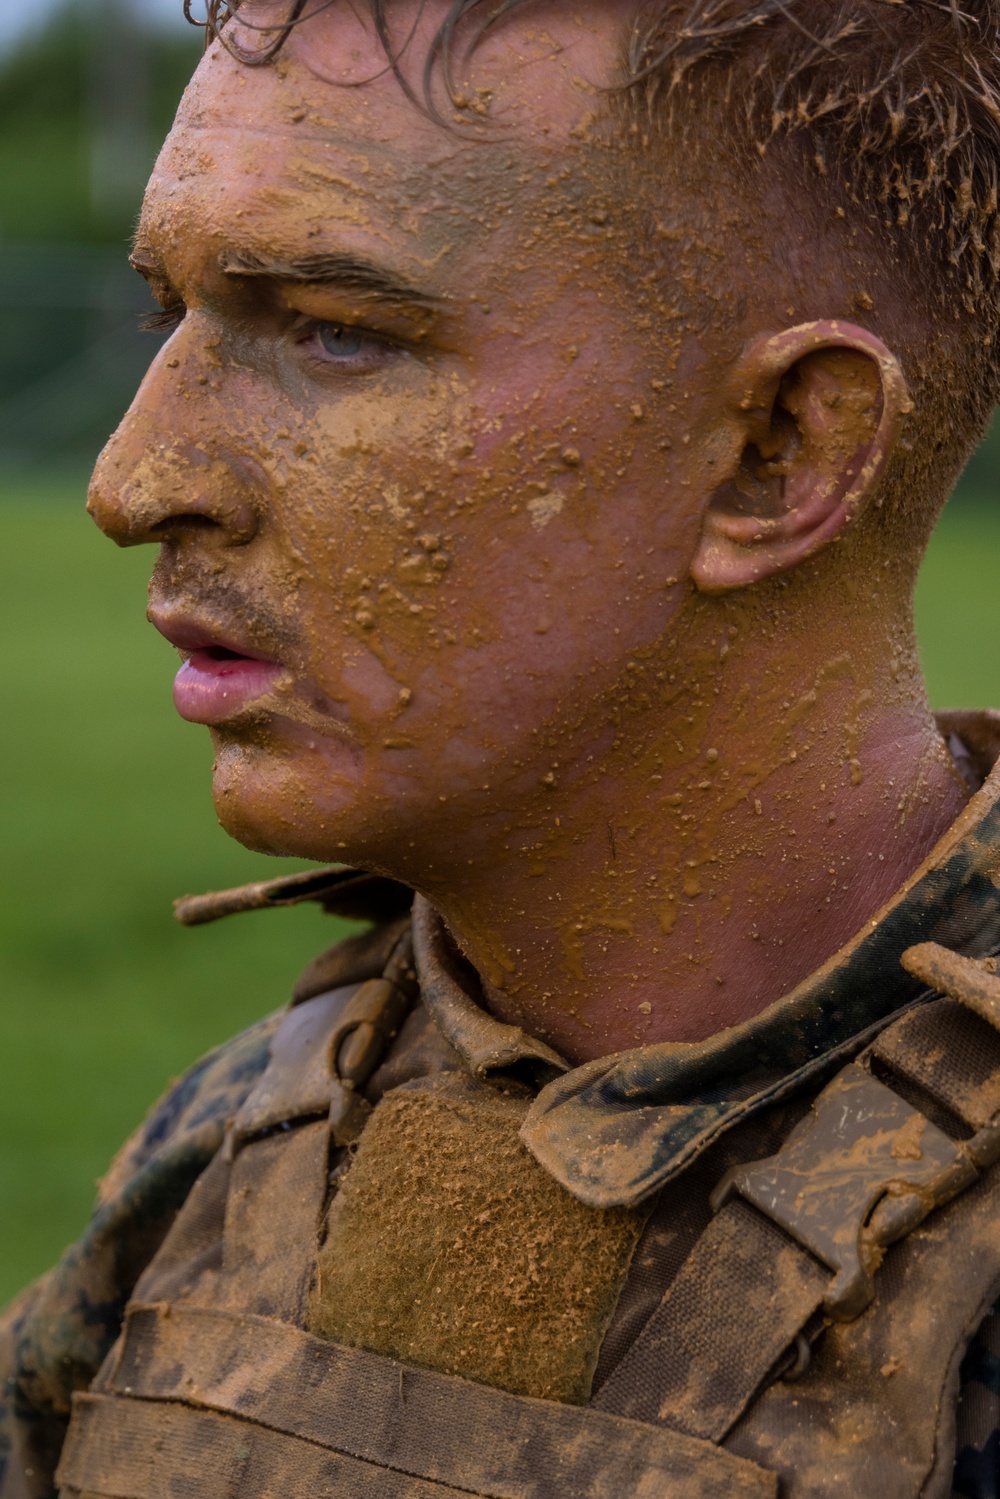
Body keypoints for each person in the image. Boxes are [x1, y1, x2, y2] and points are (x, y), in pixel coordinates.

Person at [5, 0, 1000, 1493]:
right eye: (174, 314)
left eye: (337, 333)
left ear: (780, 450)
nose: (134, 481)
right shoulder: (237, 1147)